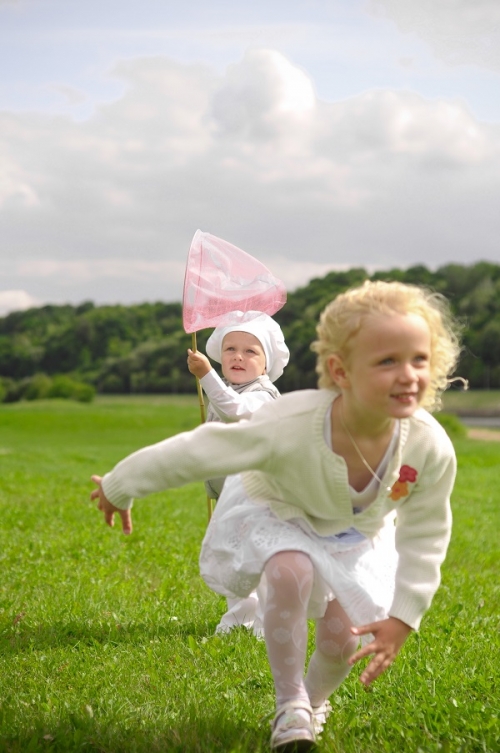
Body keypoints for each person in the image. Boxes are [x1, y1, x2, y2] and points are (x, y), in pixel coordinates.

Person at [91, 280, 462, 752]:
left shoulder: (428, 445)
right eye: (387, 361)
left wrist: (404, 616)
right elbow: (206, 447)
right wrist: (123, 484)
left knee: (342, 636)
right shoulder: (293, 421)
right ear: (340, 370)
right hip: (284, 514)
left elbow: (427, 534)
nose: (407, 374)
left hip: (357, 536)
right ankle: (289, 705)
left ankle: (315, 700)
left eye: (419, 359)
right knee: (289, 572)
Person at [186, 311, 290, 637]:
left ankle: (267, 623)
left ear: (266, 363)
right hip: (230, 493)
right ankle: (237, 619)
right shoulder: (228, 389)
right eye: (230, 349)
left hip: (259, 494)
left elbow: (235, 410)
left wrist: (205, 376)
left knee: (258, 557)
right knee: (232, 556)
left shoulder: (263, 395)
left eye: (250, 351)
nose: (238, 357)